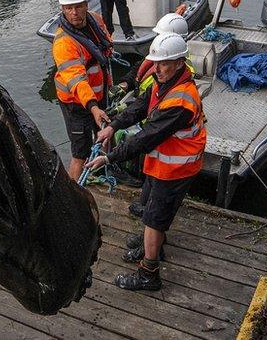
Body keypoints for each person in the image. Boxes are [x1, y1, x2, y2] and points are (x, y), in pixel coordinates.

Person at [86, 33, 206, 291]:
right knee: (151, 208)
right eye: (155, 63)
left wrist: (109, 157)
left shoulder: (181, 101)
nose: (156, 69)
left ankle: (149, 274)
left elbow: (146, 137)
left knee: (154, 218)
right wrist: (113, 126)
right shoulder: (162, 83)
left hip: (177, 168)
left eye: (163, 64)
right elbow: (139, 107)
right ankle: (153, 247)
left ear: (178, 63)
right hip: (164, 162)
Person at [127, 12, 193, 218]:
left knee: (158, 210)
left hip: (169, 149)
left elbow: (157, 124)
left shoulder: (178, 84)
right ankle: (145, 210)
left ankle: (150, 238)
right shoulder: (161, 69)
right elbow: (143, 94)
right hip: (157, 140)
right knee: (150, 180)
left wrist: (111, 156)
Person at [53, 0, 113, 181]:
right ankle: (74, 191)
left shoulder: (96, 20)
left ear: (86, 5)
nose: (74, 12)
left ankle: (104, 167)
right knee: (80, 152)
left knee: (104, 135)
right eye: (69, 8)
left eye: (78, 6)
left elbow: (106, 45)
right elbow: (77, 80)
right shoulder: (64, 43)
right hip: (77, 104)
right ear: (62, 9)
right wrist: (94, 108)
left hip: (100, 95)